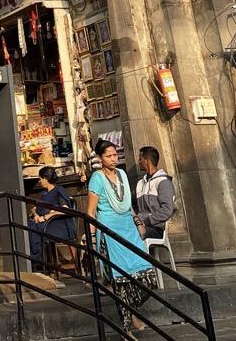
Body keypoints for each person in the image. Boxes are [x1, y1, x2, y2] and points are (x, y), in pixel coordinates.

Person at [86, 139, 157, 337]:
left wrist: (138, 222)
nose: (113, 159)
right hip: (110, 232)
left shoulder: (123, 174)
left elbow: (127, 205)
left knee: (148, 277)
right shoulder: (97, 179)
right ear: (100, 158)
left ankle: (132, 310)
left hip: (128, 228)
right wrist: (91, 236)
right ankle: (126, 328)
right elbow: (90, 211)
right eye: (108, 156)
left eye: (115, 154)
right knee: (122, 282)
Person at [28, 166, 76, 274]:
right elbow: (35, 209)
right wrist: (35, 215)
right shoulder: (43, 194)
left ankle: (38, 263)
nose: (39, 181)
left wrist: (47, 216)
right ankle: (37, 262)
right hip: (46, 225)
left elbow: (65, 210)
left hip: (59, 225)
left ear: (45, 178)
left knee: (33, 227)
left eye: (40, 179)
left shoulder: (58, 190)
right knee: (30, 225)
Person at [135, 146, 175, 241]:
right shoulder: (140, 183)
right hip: (139, 224)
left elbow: (167, 210)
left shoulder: (163, 182)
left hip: (156, 228)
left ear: (147, 161)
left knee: (131, 234)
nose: (138, 162)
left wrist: (146, 222)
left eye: (140, 159)